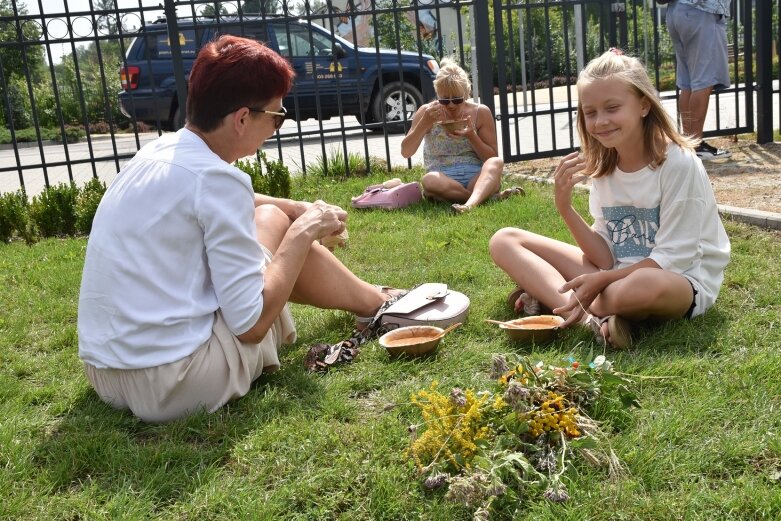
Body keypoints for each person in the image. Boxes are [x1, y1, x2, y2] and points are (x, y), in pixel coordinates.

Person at [77, 36, 400, 423]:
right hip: (173, 383)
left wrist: (295, 208)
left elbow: (218, 197)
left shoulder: (158, 152)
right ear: (243, 118)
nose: (278, 127)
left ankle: (373, 300)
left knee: (271, 219)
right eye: (277, 117)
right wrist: (303, 229)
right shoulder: (217, 179)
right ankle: (379, 305)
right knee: (279, 236)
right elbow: (251, 325)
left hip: (106, 372)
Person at [489, 49, 730, 348]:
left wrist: (601, 281)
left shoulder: (679, 163)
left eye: (612, 108)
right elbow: (604, 255)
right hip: (613, 275)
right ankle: (595, 319)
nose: (600, 121)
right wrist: (564, 208)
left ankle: (560, 298)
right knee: (505, 239)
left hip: (679, 280)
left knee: (642, 286)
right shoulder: (604, 167)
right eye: (590, 112)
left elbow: (674, 258)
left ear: (643, 104)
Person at [400, 58, 521, 214]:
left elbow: (491, 156)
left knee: (496, 163)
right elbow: (406, 152)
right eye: (444, 100)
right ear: (437, 95)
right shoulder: (427, 112)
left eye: (457, 99)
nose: (451, 105)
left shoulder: (480, 112)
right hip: (442, 176)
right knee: (429, 180)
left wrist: (472, 136)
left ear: (466, 94)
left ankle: (467, 204)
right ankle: (484, 198)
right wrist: (424, 123)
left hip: (476, 177)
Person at [665, 0, 732, 160]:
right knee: (703, 81)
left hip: (676, 12)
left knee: (687, 84)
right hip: (701, 11)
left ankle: (688, 144)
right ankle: (696, 145)